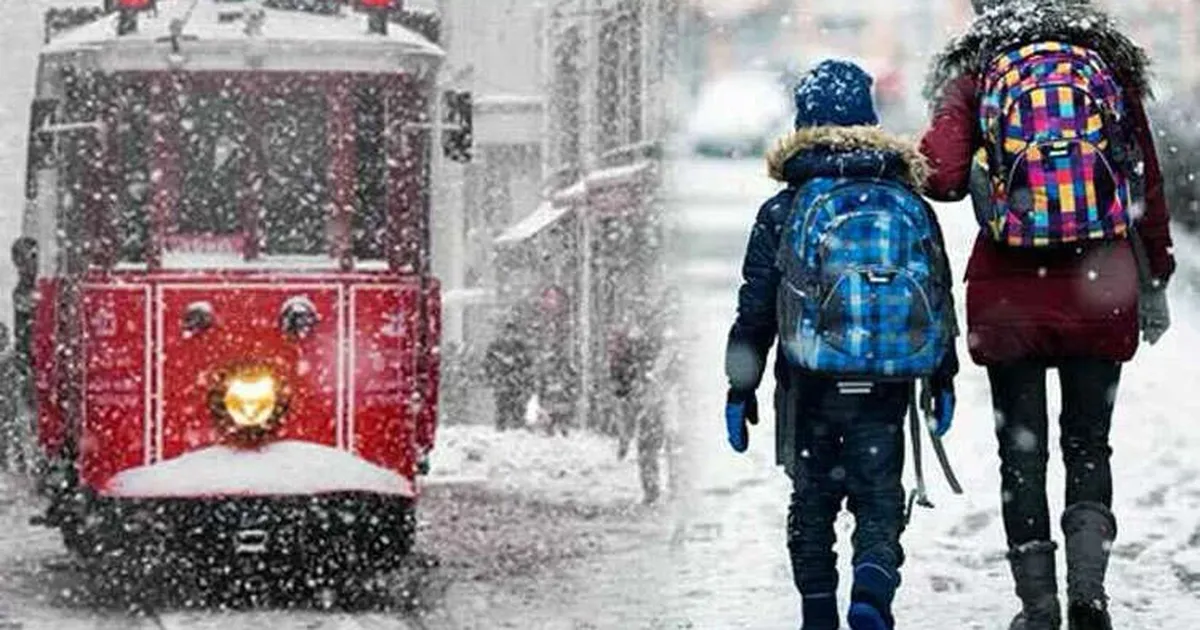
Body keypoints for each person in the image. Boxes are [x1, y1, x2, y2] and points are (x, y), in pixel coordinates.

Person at [920, 2, 1176, 629]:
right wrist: (1155, 276)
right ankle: (1089, 597)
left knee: (1021, 454)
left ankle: (1038, 609)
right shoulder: (1104, 66)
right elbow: (1146, 180)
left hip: (1010, 294)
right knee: (1088, 444)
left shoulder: (978, 69)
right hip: (1101, 284)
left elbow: (944, 176)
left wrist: (977, 162)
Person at [724, 60, 958, 630]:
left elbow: (755, 308)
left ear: (803, 121)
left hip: (810, 382)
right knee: (879, 498)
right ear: (870, 119)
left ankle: (819, 614)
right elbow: (938, 293)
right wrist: (942, 376)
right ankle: (872, 592)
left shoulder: (785, 208)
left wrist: (740, 387)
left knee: (813, 503)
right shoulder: (906, 199)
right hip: (888, 381)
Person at [483, 317, 533, 432]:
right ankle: (502, 427)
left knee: (517, 404)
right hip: (502, 380)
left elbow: (528, 362)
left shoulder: (520, 346)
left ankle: (517, 426)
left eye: (512, 332)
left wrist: (518, 364)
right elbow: (487, 362)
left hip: (516, 380)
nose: (510, 335)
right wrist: (492, 375)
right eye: (507, 332)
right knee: (502, 404)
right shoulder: (495, 345)